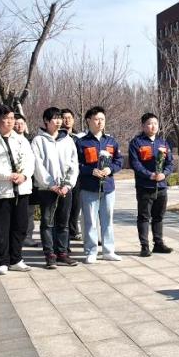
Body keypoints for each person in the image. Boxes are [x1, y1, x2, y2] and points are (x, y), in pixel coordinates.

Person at [0, 106, 35, 275]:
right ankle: (3, 261)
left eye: (12, 118)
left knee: (20, 226)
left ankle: (16, 259)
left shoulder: (21, 140)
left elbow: (30, 160)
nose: (10, 121)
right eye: (6, 118)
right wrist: (8, 176)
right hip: (1, 191)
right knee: (1, 228)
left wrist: (24, 175)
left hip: (21, 189)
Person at [31, 107, 79, 269]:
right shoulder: (38, 141)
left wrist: (67, 184)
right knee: (47, 222)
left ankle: (62, 253)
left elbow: (74, 164)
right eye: (54, 118)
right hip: (47, 189)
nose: (58, 121)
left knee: (63, 222)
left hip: (65, 189)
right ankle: (49, 254)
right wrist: (51, 184)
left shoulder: (68, 140)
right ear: (46, 120)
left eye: (60, 118)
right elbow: (38, 165)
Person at [75, 106, 122, 264]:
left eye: (102, 119)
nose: (100, 122)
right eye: (96, 119)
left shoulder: (111, 141)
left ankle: (108, 251)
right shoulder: (81, 142)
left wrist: (110, 169)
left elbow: (119, 161)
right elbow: (76, 164)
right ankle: (91, 251)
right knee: (90, 222)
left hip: (108, 188)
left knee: (107, 220)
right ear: (88, 121)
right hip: (89, 188)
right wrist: (90, 171)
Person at [129, 113, 174, 257]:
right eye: (149, 123)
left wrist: (164, 174)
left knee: (158, 216)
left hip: (161, 186)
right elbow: (135, 164)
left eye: (155, 123)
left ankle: (158, 244)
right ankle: (144, 246)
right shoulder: (136, 143)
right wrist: (150, 175)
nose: (153, 126)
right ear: (143, 126)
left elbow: (170, 163)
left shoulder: (163, 143)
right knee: (144, 217)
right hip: (145, 187)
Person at [61, 108, 83, 246]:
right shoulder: (58, 137)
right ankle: (64, 233)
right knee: (65, 208)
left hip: (78, 176)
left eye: (70, 117)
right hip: (63, 178)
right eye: (64, 117)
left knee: (76, 205)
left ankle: (73, 230)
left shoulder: (78, 137)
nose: (67, 120)